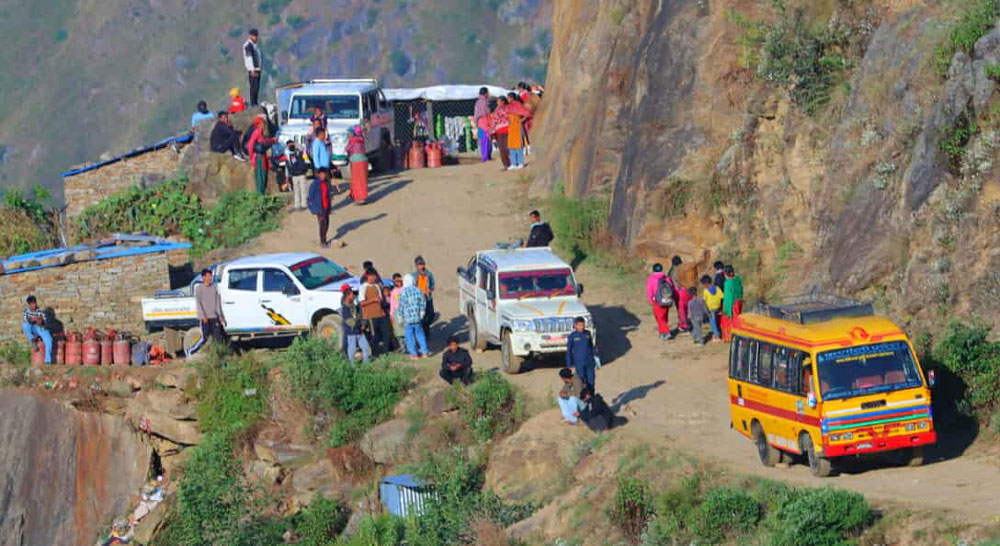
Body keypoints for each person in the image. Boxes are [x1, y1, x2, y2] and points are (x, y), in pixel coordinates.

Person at [360, 269, 393, 355]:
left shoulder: (376, 286)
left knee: (386, 332)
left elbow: (380, 298)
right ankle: (376, 353)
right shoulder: (363, 287)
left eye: (375, 276)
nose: (374, 278)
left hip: (380, 313)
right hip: (370, 315)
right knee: (374, 335)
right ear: (368, 276)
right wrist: (373, 300)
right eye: (373, 276)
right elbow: (362, 303)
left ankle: (386, 351)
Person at [193, 268, 226, 351]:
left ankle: (218, 355)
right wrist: (203, 316)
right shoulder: (199, 288)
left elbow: (217, 303)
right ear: (203, 277)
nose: (210, 278)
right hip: (205, 318)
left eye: (211, 276)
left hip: (214, 317)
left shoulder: (214, 288)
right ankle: (192, 351)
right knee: (205, 339)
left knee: (217, 338)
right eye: (208, 276)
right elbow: (198, 303)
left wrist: (220, 316)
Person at [397, 274, 428, 359]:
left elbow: (401, 306)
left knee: (409, 336)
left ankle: (414, 354)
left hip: (407, 319)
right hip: (417, 317)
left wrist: (400, 317)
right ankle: (424, 352)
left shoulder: (403, 292)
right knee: (420, 334)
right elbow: (423, 302)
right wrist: (422, 312)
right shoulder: (418, 290)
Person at [340, 286, 371, 365]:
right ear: (347, 296)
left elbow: (358, 316)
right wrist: (361, 324)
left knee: (365, 347)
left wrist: (362, 324)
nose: (353, 296)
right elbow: (350, 322)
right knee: (352, 349)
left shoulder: (353, 304)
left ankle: (366, 363)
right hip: (351, 331)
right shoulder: (345, 308)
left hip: (358, 330)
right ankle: (352, 365)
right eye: (351, 294)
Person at [566, 317, 597, 390]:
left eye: (583, 325)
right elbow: (569, 351)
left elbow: (591, 347)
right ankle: (583, 396)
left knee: (591, 381)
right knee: (581, 382)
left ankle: (592, 396)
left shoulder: (588, 333)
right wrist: (569, 364)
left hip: (589, 362)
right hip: (579, 363)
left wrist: (596, 358)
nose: (582, 327)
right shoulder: (572, 336)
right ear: (575, 325)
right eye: (580, 325)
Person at [646, 263, 675, 340]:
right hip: (667, 299)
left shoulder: (651, 279)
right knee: (664, 317)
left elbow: (649, 292)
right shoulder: (667, 278)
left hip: (657, 301)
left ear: (653, 270)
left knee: (659, 318)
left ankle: (666, 333)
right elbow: (672, 288)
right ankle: (662, 333)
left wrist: (650, 300)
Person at [246, 117, 274, 194]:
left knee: (263, 173)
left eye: (264, 124)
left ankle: (262, 192)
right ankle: (260, 193)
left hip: (263, 156)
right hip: (259, 157)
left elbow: (264, 141)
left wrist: (272, 140)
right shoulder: (257, 132)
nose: (263, 125)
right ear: (258, 125)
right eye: (262, 124)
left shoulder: (261, 133)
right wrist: (251, 156)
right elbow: (250, 144)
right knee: (260, 175)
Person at [21, 296, 52, 364]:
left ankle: (48, 360)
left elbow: (45, 322)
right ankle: (33, 340)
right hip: (31, 327)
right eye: (32, 304)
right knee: (25, 325)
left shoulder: (40, 311)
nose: (34, 305)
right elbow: (25, 320)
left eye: (34, 303)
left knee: (49, 339)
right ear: (29, 304)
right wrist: (33, 319)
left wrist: (41, 320)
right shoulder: (26, 311)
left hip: (39, 328)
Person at [307, 167, 332, 248]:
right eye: (321, 174)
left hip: (326, 206)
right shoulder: (314, 184)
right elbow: (310, 197)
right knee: (322, 225)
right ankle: (323, 242)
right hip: (319, 208)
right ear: (318, 175)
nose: (323, 176)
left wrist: (329, 207)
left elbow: (328, 195)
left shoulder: (327, 183)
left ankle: (324, 240)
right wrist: (312, 208)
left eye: (324, 174)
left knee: (327, 224)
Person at [506, 92, 531, 170]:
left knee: (518, 144)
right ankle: (513, 163)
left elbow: (527, 113)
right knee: (511, 145)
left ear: (512, 98)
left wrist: (521, 120)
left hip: (517, 127)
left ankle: (520, 163)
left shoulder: (518, 105)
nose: (507, 99)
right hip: (511, 128)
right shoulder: (509, 106)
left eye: (508, 97)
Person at [413, 256, 436, 336]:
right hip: (419, 299)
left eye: (423, 264)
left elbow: (432, 283)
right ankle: (424, 332)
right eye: (420, 264)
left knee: (430, 315)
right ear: (416, 266)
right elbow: (412, 286)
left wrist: (430, 289)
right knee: (422, 317)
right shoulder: (414, 275)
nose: (422, 266)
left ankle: (426, 328)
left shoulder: (429, 274)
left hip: (428, 298)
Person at [345, 126, 368, 204]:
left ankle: (359, 198)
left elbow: (347, 149)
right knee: (362, 179)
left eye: (349, 133)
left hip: (356, 162)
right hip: (364, 160)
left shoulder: (352, 140)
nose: (348, 135)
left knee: (356, 180)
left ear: (353, 133)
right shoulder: (361, 139)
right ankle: (360, 196)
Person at [722, 265, 744, 342]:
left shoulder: (728, 283)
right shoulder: (737, 279)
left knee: (731, 320)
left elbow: (728, 297)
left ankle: (731, 337)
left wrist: (726, 309)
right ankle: (739, 334)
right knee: (738, 318)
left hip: (733, 303)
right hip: (739, 301)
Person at [285, 140, 309, 210]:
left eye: (291, 144)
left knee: (303, 190)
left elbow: (306, 160)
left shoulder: (300, 151)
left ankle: (304, 204)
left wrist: (296, 144)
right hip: (294, 175)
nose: (291, 146)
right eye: (289, 145)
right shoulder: (287, 154)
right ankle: (297, 205)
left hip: (302, 174)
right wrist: (287, 176)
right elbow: (287, 166)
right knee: (296, 191)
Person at [701, 275, 724, 341]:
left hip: (710, 309)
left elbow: (704, 301)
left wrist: (706, 310)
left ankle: (717, 336)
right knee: (716, 321)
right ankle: (719, 332)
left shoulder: (706, 291)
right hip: (717, 307)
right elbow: (722, 297)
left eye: (703, 284)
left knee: (712, 322)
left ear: (705, 283)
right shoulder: (717, 288)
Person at [243, 29, 262, 107]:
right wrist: (252, 69)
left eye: (256, 36)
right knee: (253, 87)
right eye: (254, 36)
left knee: (257, 87)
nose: (256, 37)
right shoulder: (248, 45)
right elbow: (249, 58)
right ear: (251, 36)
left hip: (257, 69)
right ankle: (253, 103)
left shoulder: (255, 45)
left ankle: (255, 102)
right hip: (252, 69)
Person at [491, 96, 511, 170]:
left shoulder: (508, 108)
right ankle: (506, 165)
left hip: (507, 130)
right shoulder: (497, 109)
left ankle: (511, 163)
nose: (497, 103)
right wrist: (492, 130)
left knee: (507, 147)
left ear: (503, 101)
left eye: (498, 101)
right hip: (500, 131)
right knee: (502, 148)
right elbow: (494, 120)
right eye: (497, 101)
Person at [474, 87, 492, 162]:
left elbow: (476, 115)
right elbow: (486, 113)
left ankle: (484, 157)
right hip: (485, 122)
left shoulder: (477, 102)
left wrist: (476, 123)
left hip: (479, 123)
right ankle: (487, 156)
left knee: (482, 140)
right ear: (485, 93)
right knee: (488, 139)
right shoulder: (485, 102)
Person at [389, 273, 406, 352]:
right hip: (396, 312)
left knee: (406, 331)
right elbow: (392, 304)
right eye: (396, 281)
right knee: (399, 332)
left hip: (405, 311)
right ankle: (402, 347)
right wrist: (391, 315)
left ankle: (409, 346)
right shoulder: (393, 292)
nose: (398, 282)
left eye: (399, 279)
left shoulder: (405, 289)